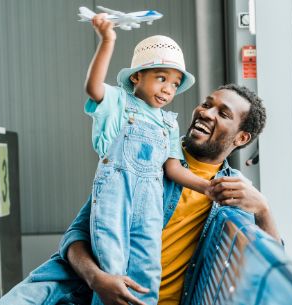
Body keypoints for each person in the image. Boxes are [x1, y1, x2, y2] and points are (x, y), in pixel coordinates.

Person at [0, 84, 281, 305]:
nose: (206, 112)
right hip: (88, 294)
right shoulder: (143, 153)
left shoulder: (233, 191)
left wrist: (264, 210)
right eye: (207, 104)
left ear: (242, 138)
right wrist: (99, 280)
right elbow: (76, 236)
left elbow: (272, 268)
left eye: (223, 113)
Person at [81, 14, 211, 305]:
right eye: (161, 78)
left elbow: (173, 168)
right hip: (116, 197)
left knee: (148, 270)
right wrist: (107, 41)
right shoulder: (117, 103)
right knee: (112, 267)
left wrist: (206, 187)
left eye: (175, 83)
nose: (168, 89)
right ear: (137, 77)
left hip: (150, 205)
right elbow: (93, 88)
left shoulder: (169, 123)